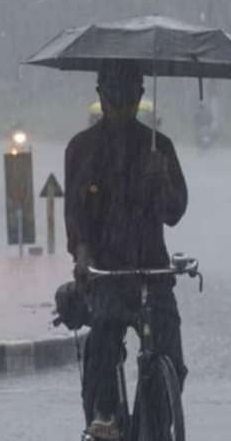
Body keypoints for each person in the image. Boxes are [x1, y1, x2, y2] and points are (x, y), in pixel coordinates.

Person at [62, 60, 188, 440]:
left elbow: (174, 213)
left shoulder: (159, 147)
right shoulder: (81, 149)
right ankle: (104, 416)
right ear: (101, 96)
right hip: (108, 273)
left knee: (172, 359)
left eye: (128, 99)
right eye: (113, 99)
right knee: (102, 343)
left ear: (140, 97)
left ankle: (153, 425)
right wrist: (83, 258)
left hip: (152, 270)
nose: (120, 108)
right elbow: (76, 217)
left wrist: (161, 179)